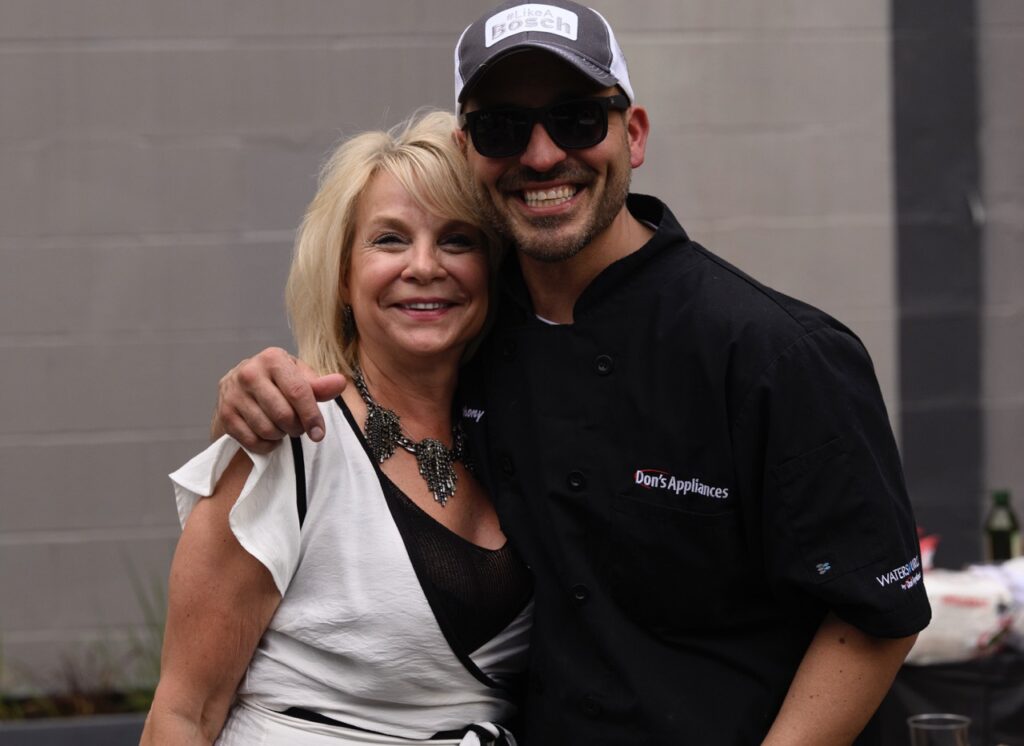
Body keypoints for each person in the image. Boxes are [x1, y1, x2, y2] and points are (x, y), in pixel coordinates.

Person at [212, 2, 931, 743]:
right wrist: (253, 393)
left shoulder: (774, 355)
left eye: (579, 120)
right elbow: (364, 396)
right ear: (469, 152)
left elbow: (876, 615)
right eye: (503, 128)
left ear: (635, 134)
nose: (544, 155)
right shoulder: (472, 341)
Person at [142, 111, 532, 745]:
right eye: (390, 239)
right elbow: (183, 714)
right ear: (344, 277)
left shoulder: (519, 444)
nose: (426, 265)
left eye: (458, 240)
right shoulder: (289, 437)